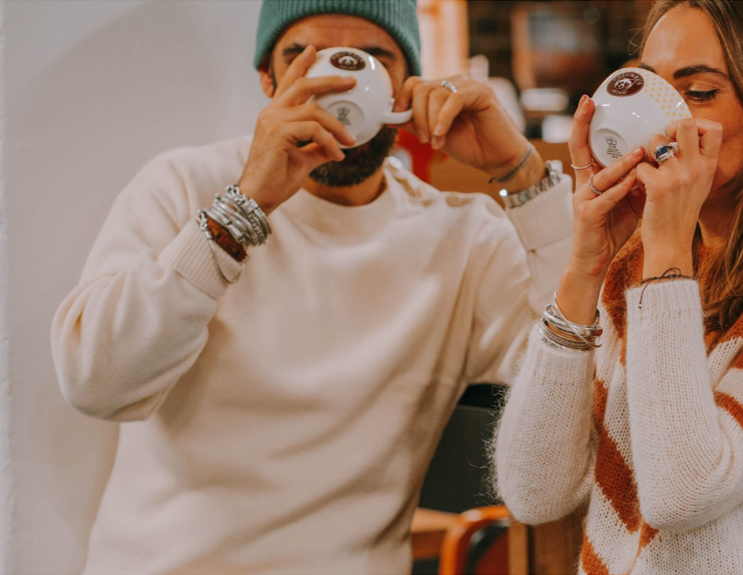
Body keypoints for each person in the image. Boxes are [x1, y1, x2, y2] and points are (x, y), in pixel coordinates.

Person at [49, 1, 573, 572]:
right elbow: (96, 382)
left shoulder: (461, 237)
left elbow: (578, 373)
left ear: (405, 88)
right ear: (268, 81)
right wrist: (244, 208)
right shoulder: (183, 186)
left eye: (372, 59)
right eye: (305, 59)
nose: (338, 82)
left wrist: (522, 173)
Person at [494, 1, 743, 573]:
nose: (663, 123)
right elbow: (533, 491)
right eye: (654, 92)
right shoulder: (645, 262)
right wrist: (585, 266)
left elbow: (683, 491)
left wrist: (664, 247)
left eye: (699, 93)